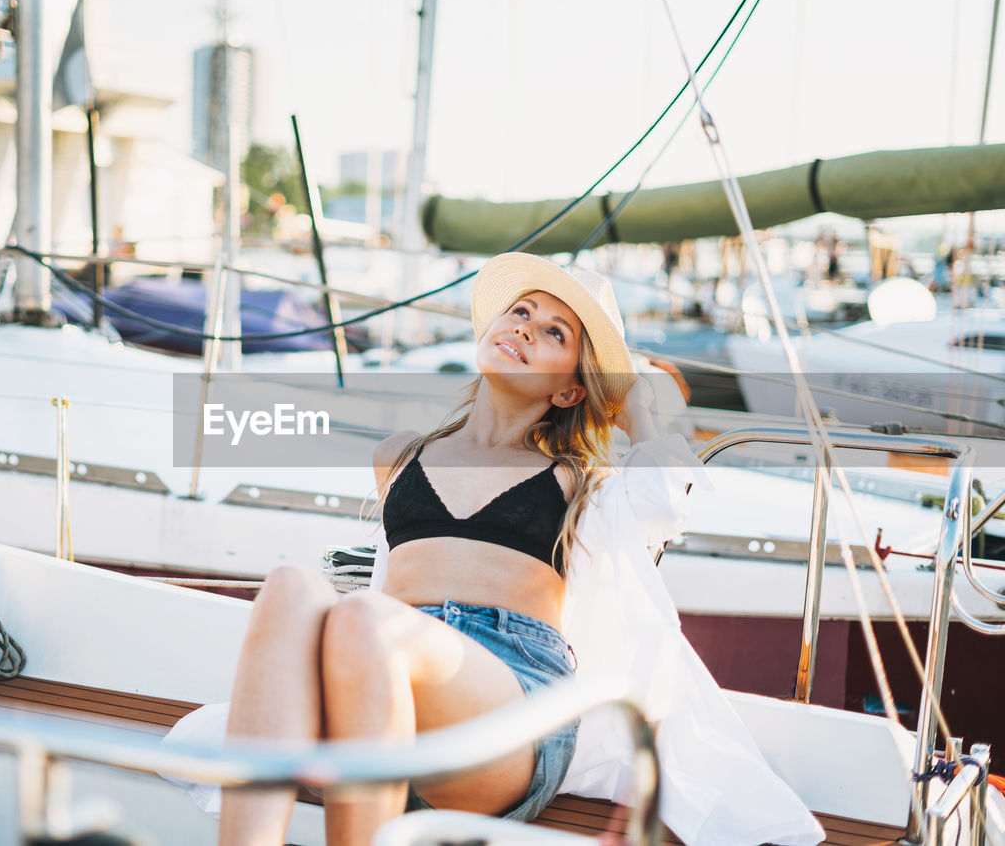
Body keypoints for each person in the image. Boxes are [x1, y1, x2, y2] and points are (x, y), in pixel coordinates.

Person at [169, 252, 824, 846]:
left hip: (510, 715)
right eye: (521, 312)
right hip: (377, 684)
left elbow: (662, 500)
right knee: (289, 583)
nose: (524, 328)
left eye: (552, 333)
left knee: (368, 621)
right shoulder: (400, 456)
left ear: (568, 389)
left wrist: (635, 409)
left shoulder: (581, 483)